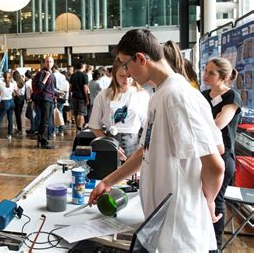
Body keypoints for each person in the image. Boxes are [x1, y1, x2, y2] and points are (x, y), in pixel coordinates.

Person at [89, 29, 225, 252]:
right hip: (161, 223)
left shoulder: (178, 96)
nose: (125, 71)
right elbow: (146, 151)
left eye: (125, 64)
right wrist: (108, 181)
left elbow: (214, 165)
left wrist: (206, 202)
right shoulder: (159, 95)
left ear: (141, 58)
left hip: (180, 227)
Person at [202, 57, 242, 251]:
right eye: (206, 70)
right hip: (203, 154)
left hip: (223, 157)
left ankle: (214, 247)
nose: (205, 75)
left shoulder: (231, 97)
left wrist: (205, 121)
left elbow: (219, 124)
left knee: (216, 202)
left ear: (224, 77)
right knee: (202, 200)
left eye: (211, 73)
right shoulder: (202, 95)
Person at [88, 58, 149, 161]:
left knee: (132, 177)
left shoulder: (142, 95)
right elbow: (94, 126)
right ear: (114, 74)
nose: (126, 80)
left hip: (135, 146)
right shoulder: (103, 95)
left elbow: (147, 126)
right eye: (121, 76)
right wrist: (111, 145)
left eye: (129, 76)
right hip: (109, 145)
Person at [33, 56, 56, 148]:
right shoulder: (41, 73)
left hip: (50, 99)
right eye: (47, 62)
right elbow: (39, 87)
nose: (49, 63)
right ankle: (43, 141)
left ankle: (42, 140)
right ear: (44, 63)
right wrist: (46, 76)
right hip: (44, 99)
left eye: (50, 62)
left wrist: (57, 94)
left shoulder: (52, 74)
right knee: (44, 120)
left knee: (47, 120)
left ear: (53, 63)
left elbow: (52, 88)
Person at [0, 71, 17, 140]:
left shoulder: (1, 84)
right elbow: (15, 93)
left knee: (0, 119)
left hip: (4, 102)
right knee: (10, 119)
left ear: (3, 77)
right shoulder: (12, 84)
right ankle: (9, 135)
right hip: (11, 102)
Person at [69, 60, 89, 132]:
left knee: (75, 113)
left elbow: (70, 86)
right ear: (83, 66)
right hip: (82, 97)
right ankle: (79, 128)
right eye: (85, 66)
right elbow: (85, 87)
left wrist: (69, 96)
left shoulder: (73, 75)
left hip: (74, 96)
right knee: (81, 113)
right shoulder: (84, 75)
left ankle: (77, 127)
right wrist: (86, 97)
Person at [51, 65, 68, 136]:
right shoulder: (63, 76)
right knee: (60, 112)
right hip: (61, 96)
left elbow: (53, 87)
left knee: (53, 113)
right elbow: (65, 87)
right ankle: (61, 131)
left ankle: (54, 130)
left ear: (53, 69)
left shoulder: (52, 75)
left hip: (54, 95)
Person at [12, 70, 25, 136]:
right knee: (19, 115)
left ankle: (19, 130)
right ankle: (18, 128)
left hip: (17, 99)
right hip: (22, 99)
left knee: (17, 116)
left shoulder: (14, 82)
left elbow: (15, 92)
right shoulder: (22, 81)